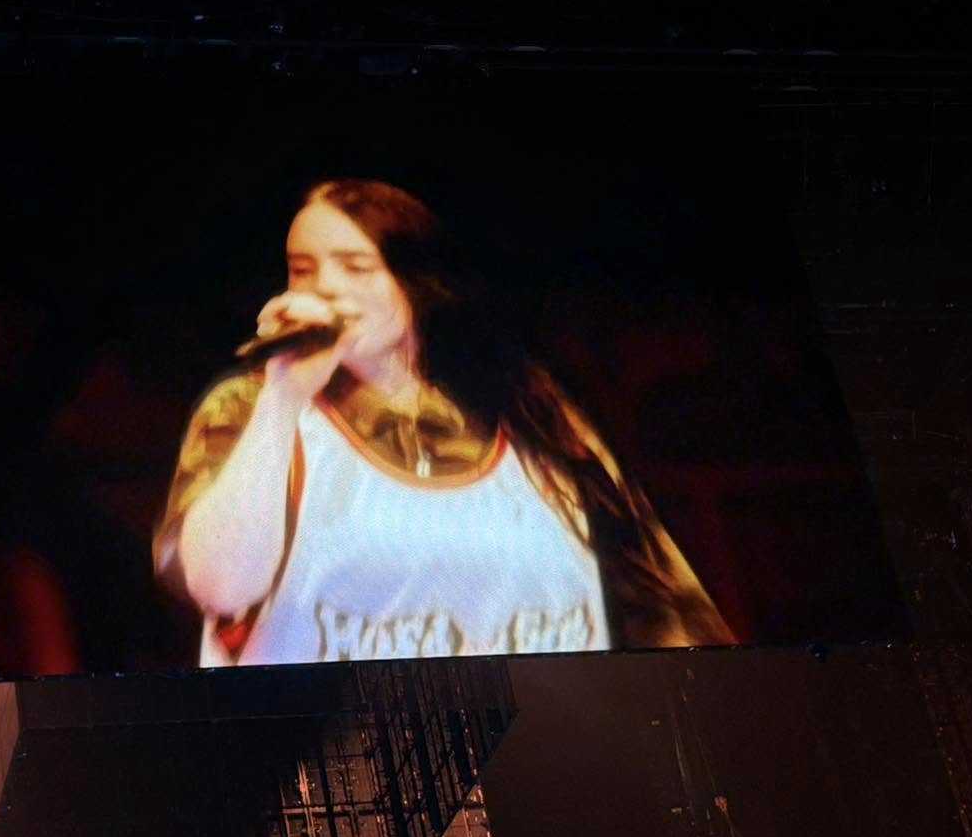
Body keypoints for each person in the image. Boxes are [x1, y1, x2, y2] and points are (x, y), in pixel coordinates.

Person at [153, 179, 733, 666]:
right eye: (302, 270)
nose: (325, 287)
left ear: (414, 281)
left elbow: (654, 593)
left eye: (356, 267)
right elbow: (220, 586)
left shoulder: (523, 406)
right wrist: (284, 395)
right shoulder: (253, 406)